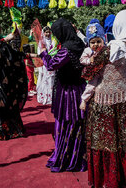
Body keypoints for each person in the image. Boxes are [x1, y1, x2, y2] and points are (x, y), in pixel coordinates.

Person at [85, 10, 126, 188]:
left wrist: (90, 61)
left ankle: (111, 181)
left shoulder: (113, 48)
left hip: (105, 103)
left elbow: (87, 72)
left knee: (108, 143)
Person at [39, 17, 87, 172]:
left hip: (68, 92)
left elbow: (52, 65)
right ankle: (79, 155)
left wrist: (43, 54)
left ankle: (67, 158)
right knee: (78, 123)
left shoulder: (66, 49)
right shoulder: (80, 44)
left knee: (67, 123)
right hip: (80, 88)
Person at [79, 20, 106, 111]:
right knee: (91, 86)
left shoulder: (105, 50)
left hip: (104, 73)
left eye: (98, 41)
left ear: (103, 41)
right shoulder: (88, 51)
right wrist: (89, 61)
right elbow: (81, 60)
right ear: (89, 43)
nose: (96, 44)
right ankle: (84, 100)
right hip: (93, 73)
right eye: (93, 42)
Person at [36, 26, 55, 105]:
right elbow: (39, 52)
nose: (48, 34)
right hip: (45, 63)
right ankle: (46, 96)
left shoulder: (53, 40)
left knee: (52, 79)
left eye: (49, 32)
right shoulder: (42, 42)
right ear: (43, 33)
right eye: (46, 32)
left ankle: (52, 96)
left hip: (53, 62)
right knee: (46, 79)